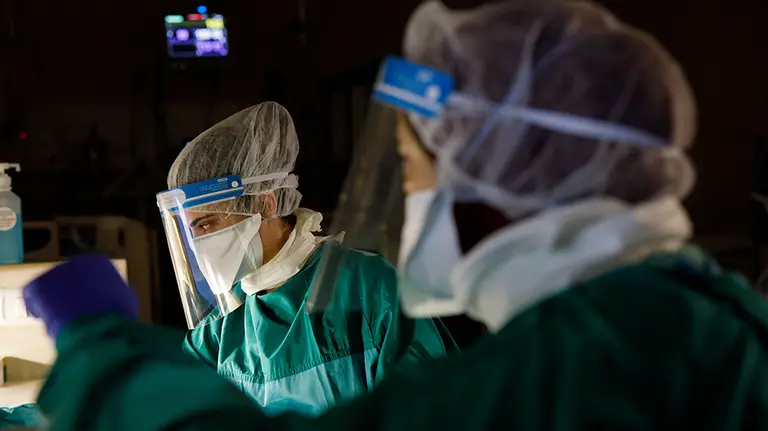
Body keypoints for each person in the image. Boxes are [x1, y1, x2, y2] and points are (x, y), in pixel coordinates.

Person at [20, 1, 768, 430]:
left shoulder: (610, 351)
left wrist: (101, 346)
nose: (407, 201)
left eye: (411, 169)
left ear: (505, 173)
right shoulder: (683, 315)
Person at [157, 101, 457, 415]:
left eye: (207, 224)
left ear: (265, 205)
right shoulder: (217, 334)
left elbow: (428, 412)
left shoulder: (370, 291)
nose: (199, 245)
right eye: (191, 232)